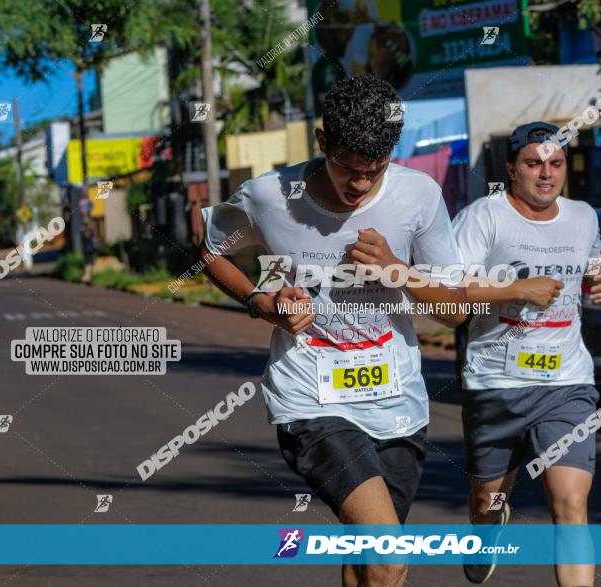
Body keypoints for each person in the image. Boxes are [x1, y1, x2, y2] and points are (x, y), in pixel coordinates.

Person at [200, 75, 467, 587]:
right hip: (311, 400)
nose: (361, 185)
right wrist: (263, 302)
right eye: (348, 167)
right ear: (322, 142)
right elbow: (212, 249)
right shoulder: (269, 196)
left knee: (368, 561)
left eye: (376, 169)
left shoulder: (419, 195)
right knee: (389, 557)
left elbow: (454, 313)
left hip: (397, 401)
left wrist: (397, 270)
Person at [452, 122, 601, 586]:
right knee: (486, 500)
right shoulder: (482, 217)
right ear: (511, 168)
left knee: (571, 505)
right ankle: (488, 528)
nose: (546, 174)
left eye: (555, 164)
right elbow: (445, 294)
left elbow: (599, 262)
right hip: (496, 382)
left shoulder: (583, 215)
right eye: (533, 164)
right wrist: (514, 289)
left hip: (566, 384)